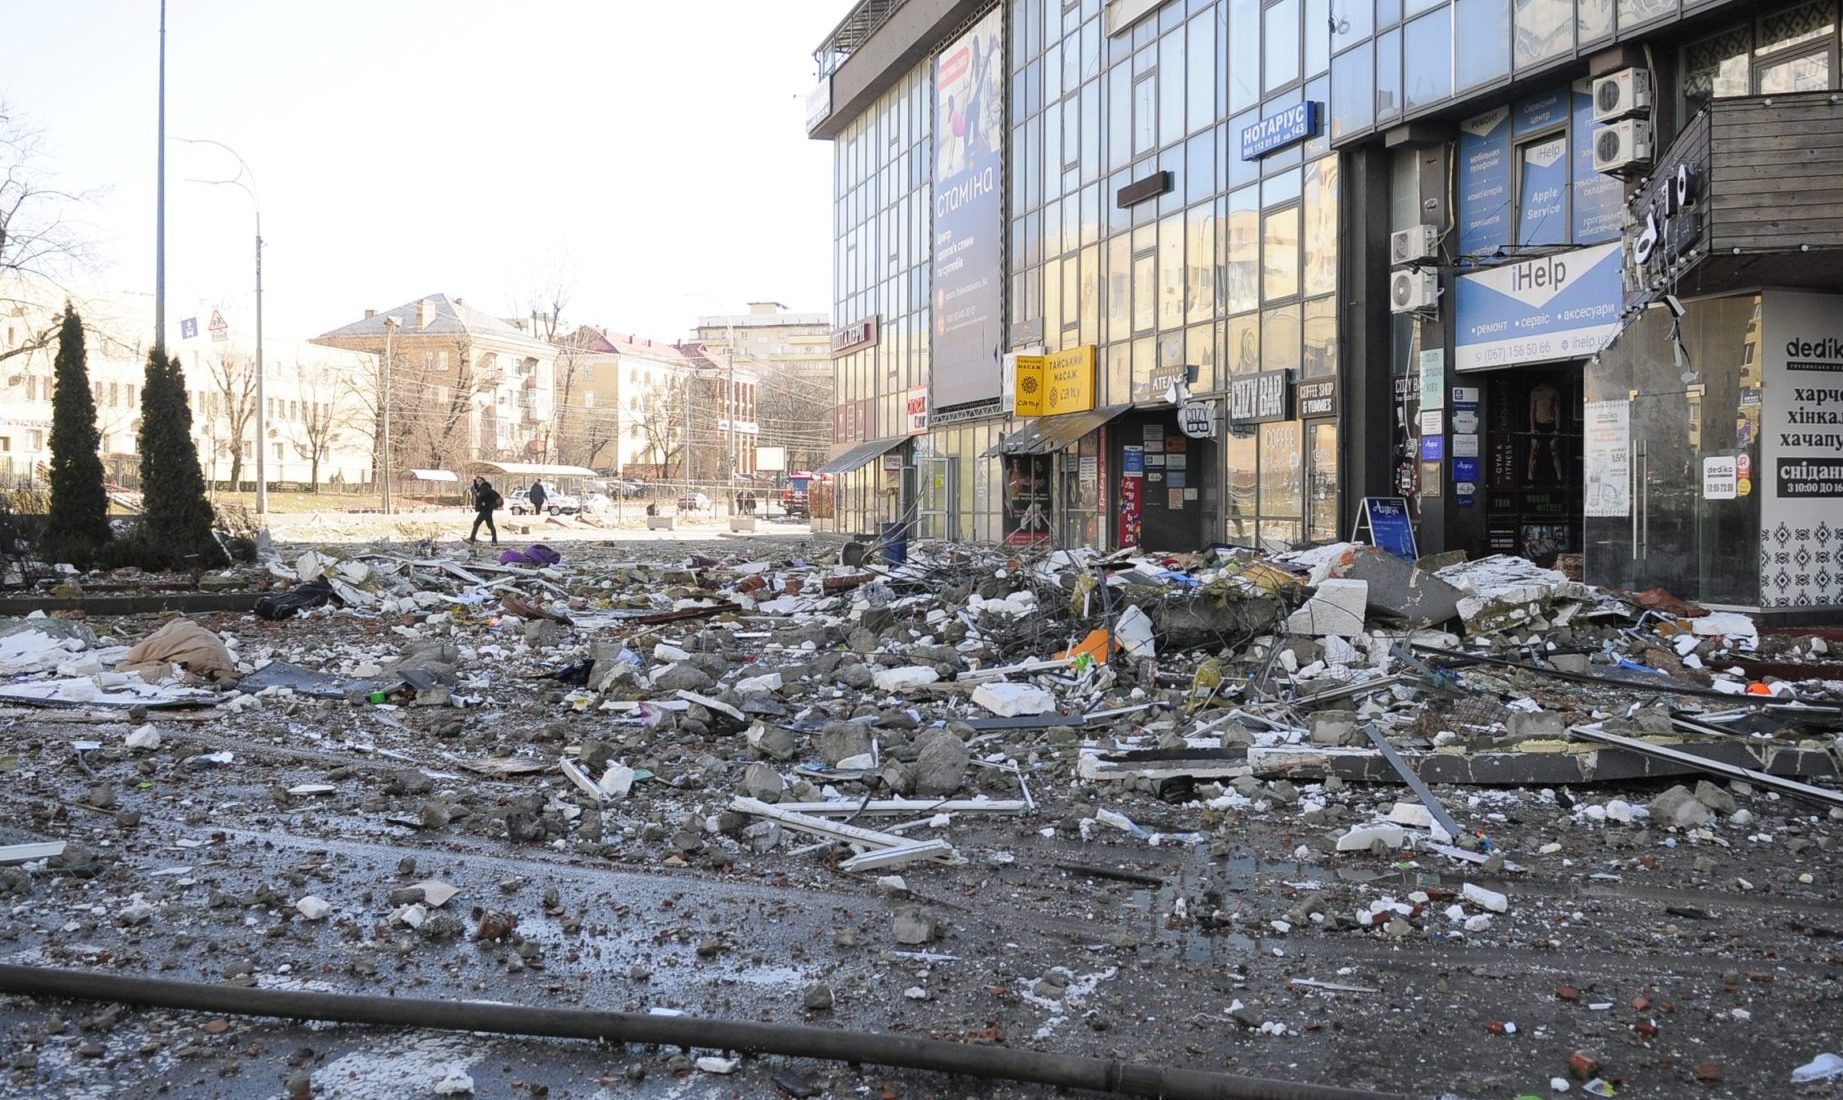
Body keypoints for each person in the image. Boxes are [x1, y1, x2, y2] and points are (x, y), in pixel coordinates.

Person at [468, 476, 501, 545]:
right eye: (478, 481)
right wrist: (474, 480)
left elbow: (482, 496)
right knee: (490, 525)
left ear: (483, 481)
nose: (478, 483)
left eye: (479, 481)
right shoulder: (485, 487)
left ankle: (472, 539)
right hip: (488, 509)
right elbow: (477, 488)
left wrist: (478, 496)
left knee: (476, 523)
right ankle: (494, 541)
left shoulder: (485, 488)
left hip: (485, 510)